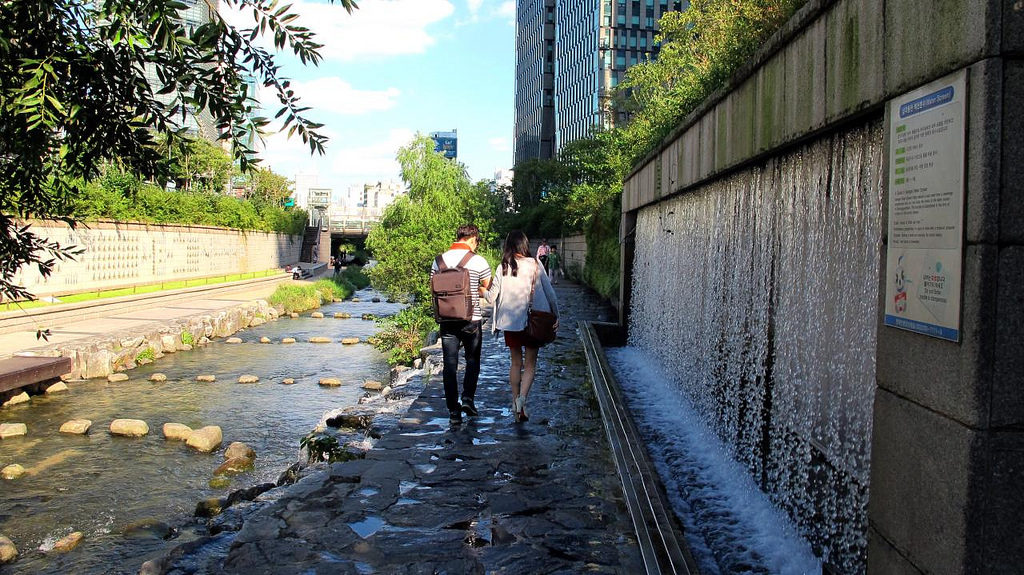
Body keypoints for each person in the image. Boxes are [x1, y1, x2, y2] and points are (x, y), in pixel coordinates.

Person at [484, 230, 558, 423]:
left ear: (508, 245)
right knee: (530, 365)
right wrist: (556, 316)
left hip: (511, 323)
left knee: (515, 363)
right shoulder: (535, 264)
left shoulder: (503, 267)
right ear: (525, 245)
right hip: (533, 321)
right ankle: (523, 401)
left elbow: (491, 297)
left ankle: (515, 403)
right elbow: (550, 293)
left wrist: (482, 291)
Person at [431, 224, 492, 425]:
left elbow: (434, 288)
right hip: (471, 319)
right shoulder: (478, 260)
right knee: (472, 360)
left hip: (446, 320)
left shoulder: (438, 261)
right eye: (477, 242)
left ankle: (453, 412)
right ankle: (468, 398)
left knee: (450, 365)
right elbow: (488, 289)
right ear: (473, 239)